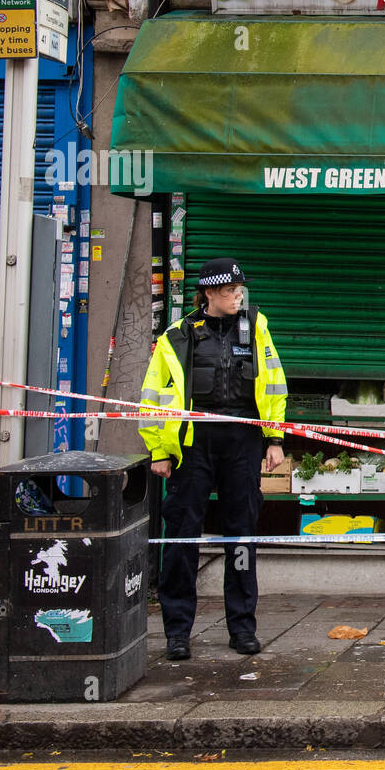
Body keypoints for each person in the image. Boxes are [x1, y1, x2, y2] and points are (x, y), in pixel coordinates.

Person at [138, 258, 287, 661]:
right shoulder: (178, 336)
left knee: (241, 537)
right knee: (182, 535)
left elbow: (274, 384)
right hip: (192, 444)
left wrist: (274, 438)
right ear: (207, 294)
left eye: (239, 289)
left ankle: (242, 628)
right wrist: (159, 450)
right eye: (228, 291)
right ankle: (177, 631)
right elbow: (153, 397)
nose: (237, 296)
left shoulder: (256, 326)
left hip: (242, 440)